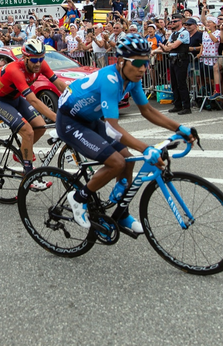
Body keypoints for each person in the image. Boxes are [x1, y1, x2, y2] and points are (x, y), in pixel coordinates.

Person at [57, 34, 194, 232]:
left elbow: (147, 111)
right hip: (70, 121)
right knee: (117, 162)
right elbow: (113, 128)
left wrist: (179, 128)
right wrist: (146, 148)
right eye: (137, 63)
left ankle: (121, 214)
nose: (142, 69)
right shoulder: (111, 80)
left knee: (127, 160)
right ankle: (78, 198)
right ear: (121, 62)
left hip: (89, 119)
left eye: (146, 63)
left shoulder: (131, 78)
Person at [0, 39, 67, 184]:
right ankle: (29, 176)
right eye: (34, 60)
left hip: (14, 97)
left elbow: (59, 84)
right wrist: (57, 118)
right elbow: (33, 100)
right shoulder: (15, 70)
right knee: (28, 131)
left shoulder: (41, 65)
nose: (38, 63)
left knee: (40, 126)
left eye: (41, 59)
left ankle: (21, 153)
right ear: (25, 58)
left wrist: (77, 97)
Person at [159, 14, 191, 115]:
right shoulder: (173, 34)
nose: (173, 23)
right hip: (173, 59)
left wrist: (169, 46)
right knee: (174, 84)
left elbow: (174, 45)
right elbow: (167, 45)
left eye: (175, 21)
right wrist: (168, 46)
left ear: (180, 22)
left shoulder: (184, 33)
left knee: (181, 84)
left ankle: (186, 106)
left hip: (181, 59)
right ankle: (178, 105)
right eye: (172, 22)